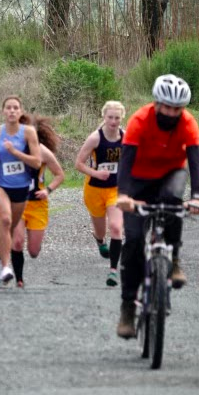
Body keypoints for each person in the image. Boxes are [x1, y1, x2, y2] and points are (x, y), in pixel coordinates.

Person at [114, 75, 199, 339]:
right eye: (167, 107)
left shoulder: (188, 123)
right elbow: (126, 160)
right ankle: (127, 308)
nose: (171, 113)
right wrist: (123, 195)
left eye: (177, 109)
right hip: (137, 181)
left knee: (174, 205)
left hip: (170, 176)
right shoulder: (140, 120)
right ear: (157, 103)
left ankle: (174, 259)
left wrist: (198, 196)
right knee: (132, 242)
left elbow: (195, 160)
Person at [0, 96, 42, 285]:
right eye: (8, 108)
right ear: (3, 111)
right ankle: (6, 267)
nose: (12, 111)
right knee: (5, 219)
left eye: (15, 108)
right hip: (0, 185)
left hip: (21, 187)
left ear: (21, 112)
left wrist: (15, 152)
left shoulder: (28, 133)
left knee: (10, 226)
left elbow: (37, 162)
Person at [75, 101, 125, 286]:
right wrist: (96, 173)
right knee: (101, 230)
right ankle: (98, 238)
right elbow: (78, 163)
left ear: (121, 119)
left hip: (115, 190)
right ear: (104, 117)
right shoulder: (95, 138)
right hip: (94, 189)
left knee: (116, 228)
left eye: (117, 118)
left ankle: (113, 271)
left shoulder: (125, 137)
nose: (113, 121)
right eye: (110, 117)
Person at [10, 114, 64, 288]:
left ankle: (34, 243)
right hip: (17, 201)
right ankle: (19, 278)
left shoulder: (41, 151)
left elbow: (60, 175)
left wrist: (48, 190)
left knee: (33, 251)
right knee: (17, 242)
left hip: (37, 204)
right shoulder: (11, 149)